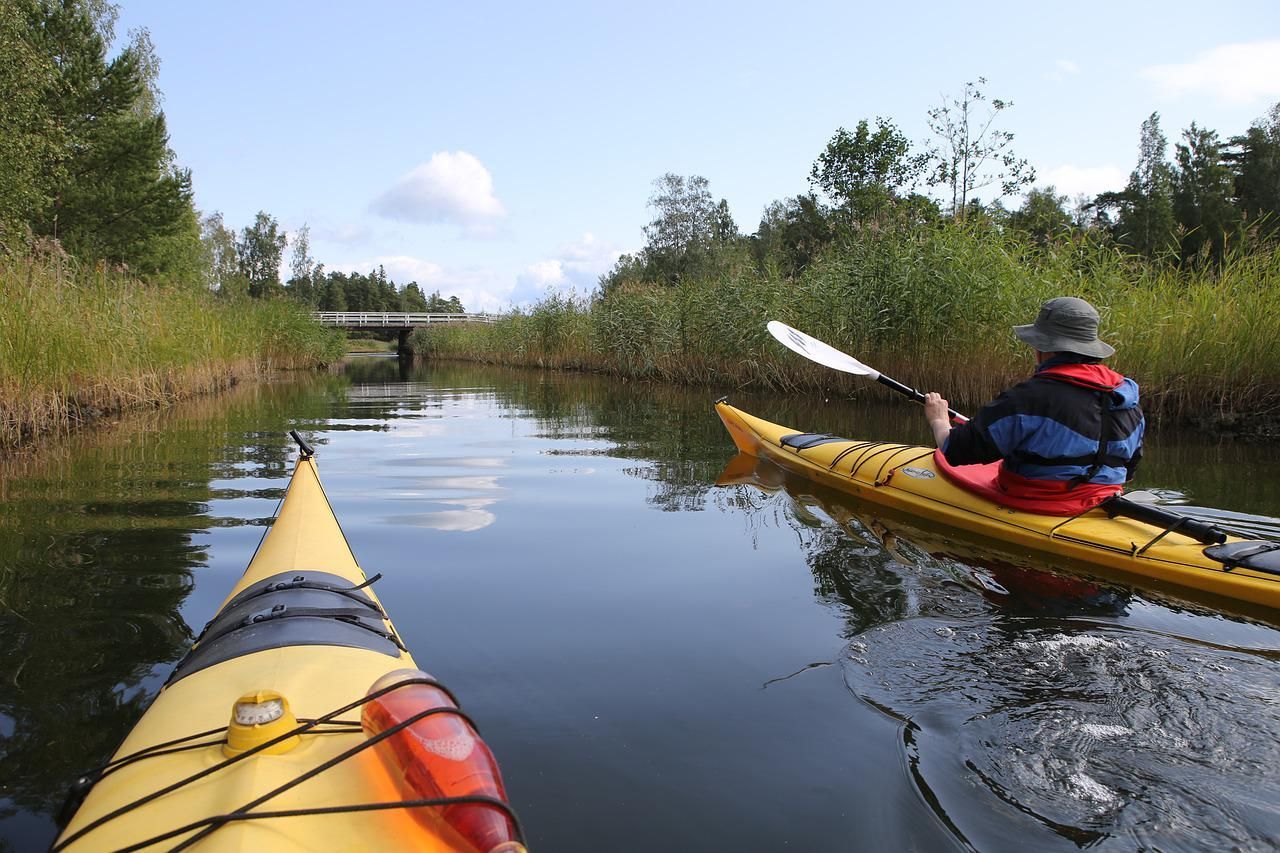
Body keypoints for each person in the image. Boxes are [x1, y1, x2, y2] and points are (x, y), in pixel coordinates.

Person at [922, 297, 1144, 507]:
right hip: (1103, 500)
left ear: (1043, 349)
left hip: (1037, 502)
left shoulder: (1028, 398)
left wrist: (939, 419)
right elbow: (1130, 467)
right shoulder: (1127, 398)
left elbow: (955, 450)